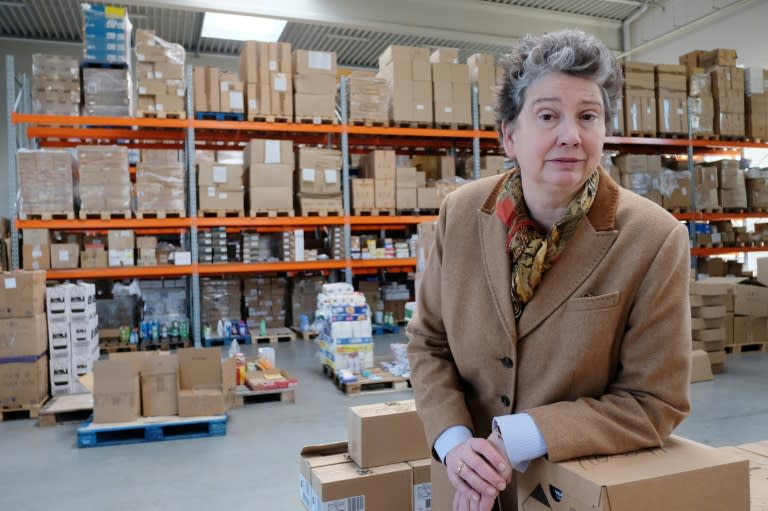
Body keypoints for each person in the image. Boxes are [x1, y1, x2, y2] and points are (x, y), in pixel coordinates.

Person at [406, 29, 692, 511]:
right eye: (547, 116)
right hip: (466, 486)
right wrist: (455, 443)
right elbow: (428, 342)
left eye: (587, 116)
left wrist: (518, 437)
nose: (570, 135)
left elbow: (654, 401)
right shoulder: (461, 213)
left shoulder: (653, 237)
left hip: (574, 489)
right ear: (509, 135)